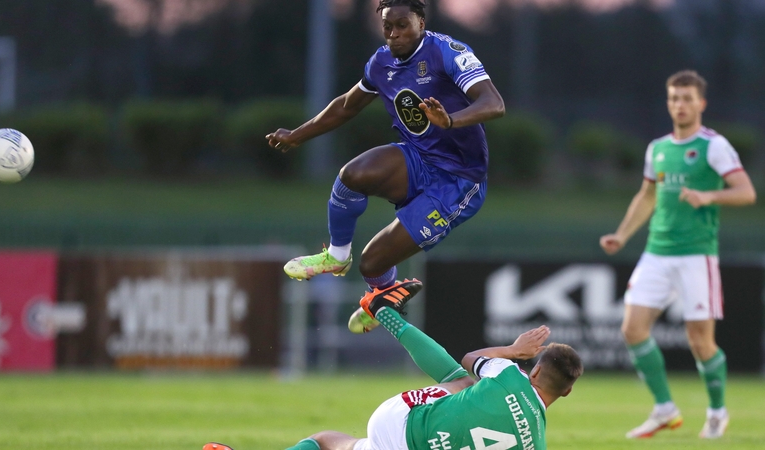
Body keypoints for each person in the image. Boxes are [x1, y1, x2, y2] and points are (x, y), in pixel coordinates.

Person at [265, 0, 505, 318]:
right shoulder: (381, 63)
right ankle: (337, 257)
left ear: (421, 22)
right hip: (418, 158)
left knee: (372, 263)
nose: (393, 34)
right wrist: (298, 134)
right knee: (353, 174)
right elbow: (346, 106)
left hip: (458, 180)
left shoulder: (449, 52)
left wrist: (450, 120)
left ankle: (383, 298)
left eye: (402, 25)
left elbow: (494, 103)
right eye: (387, 27)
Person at [204, 279, 583, 450]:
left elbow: (471, 361)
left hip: (400, 423)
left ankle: (384, 311)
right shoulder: (539, 443)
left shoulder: (510, 375)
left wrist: (514, 349)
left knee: (464, 380)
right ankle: (383, 310)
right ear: (566, 391)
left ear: (533, 370)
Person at [599, 70, 757, 439]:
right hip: (657, 252)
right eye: (674, 98)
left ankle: (717, 412)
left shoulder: (713, 146)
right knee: (632, 329)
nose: (679, 105)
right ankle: (664, 408)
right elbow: (648, 195)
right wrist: (622, 236)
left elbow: (746, 191)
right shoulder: (658, 148)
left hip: (696, 256)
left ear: (701, 103)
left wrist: (710, 196)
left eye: (687, 98)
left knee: (700, 341)